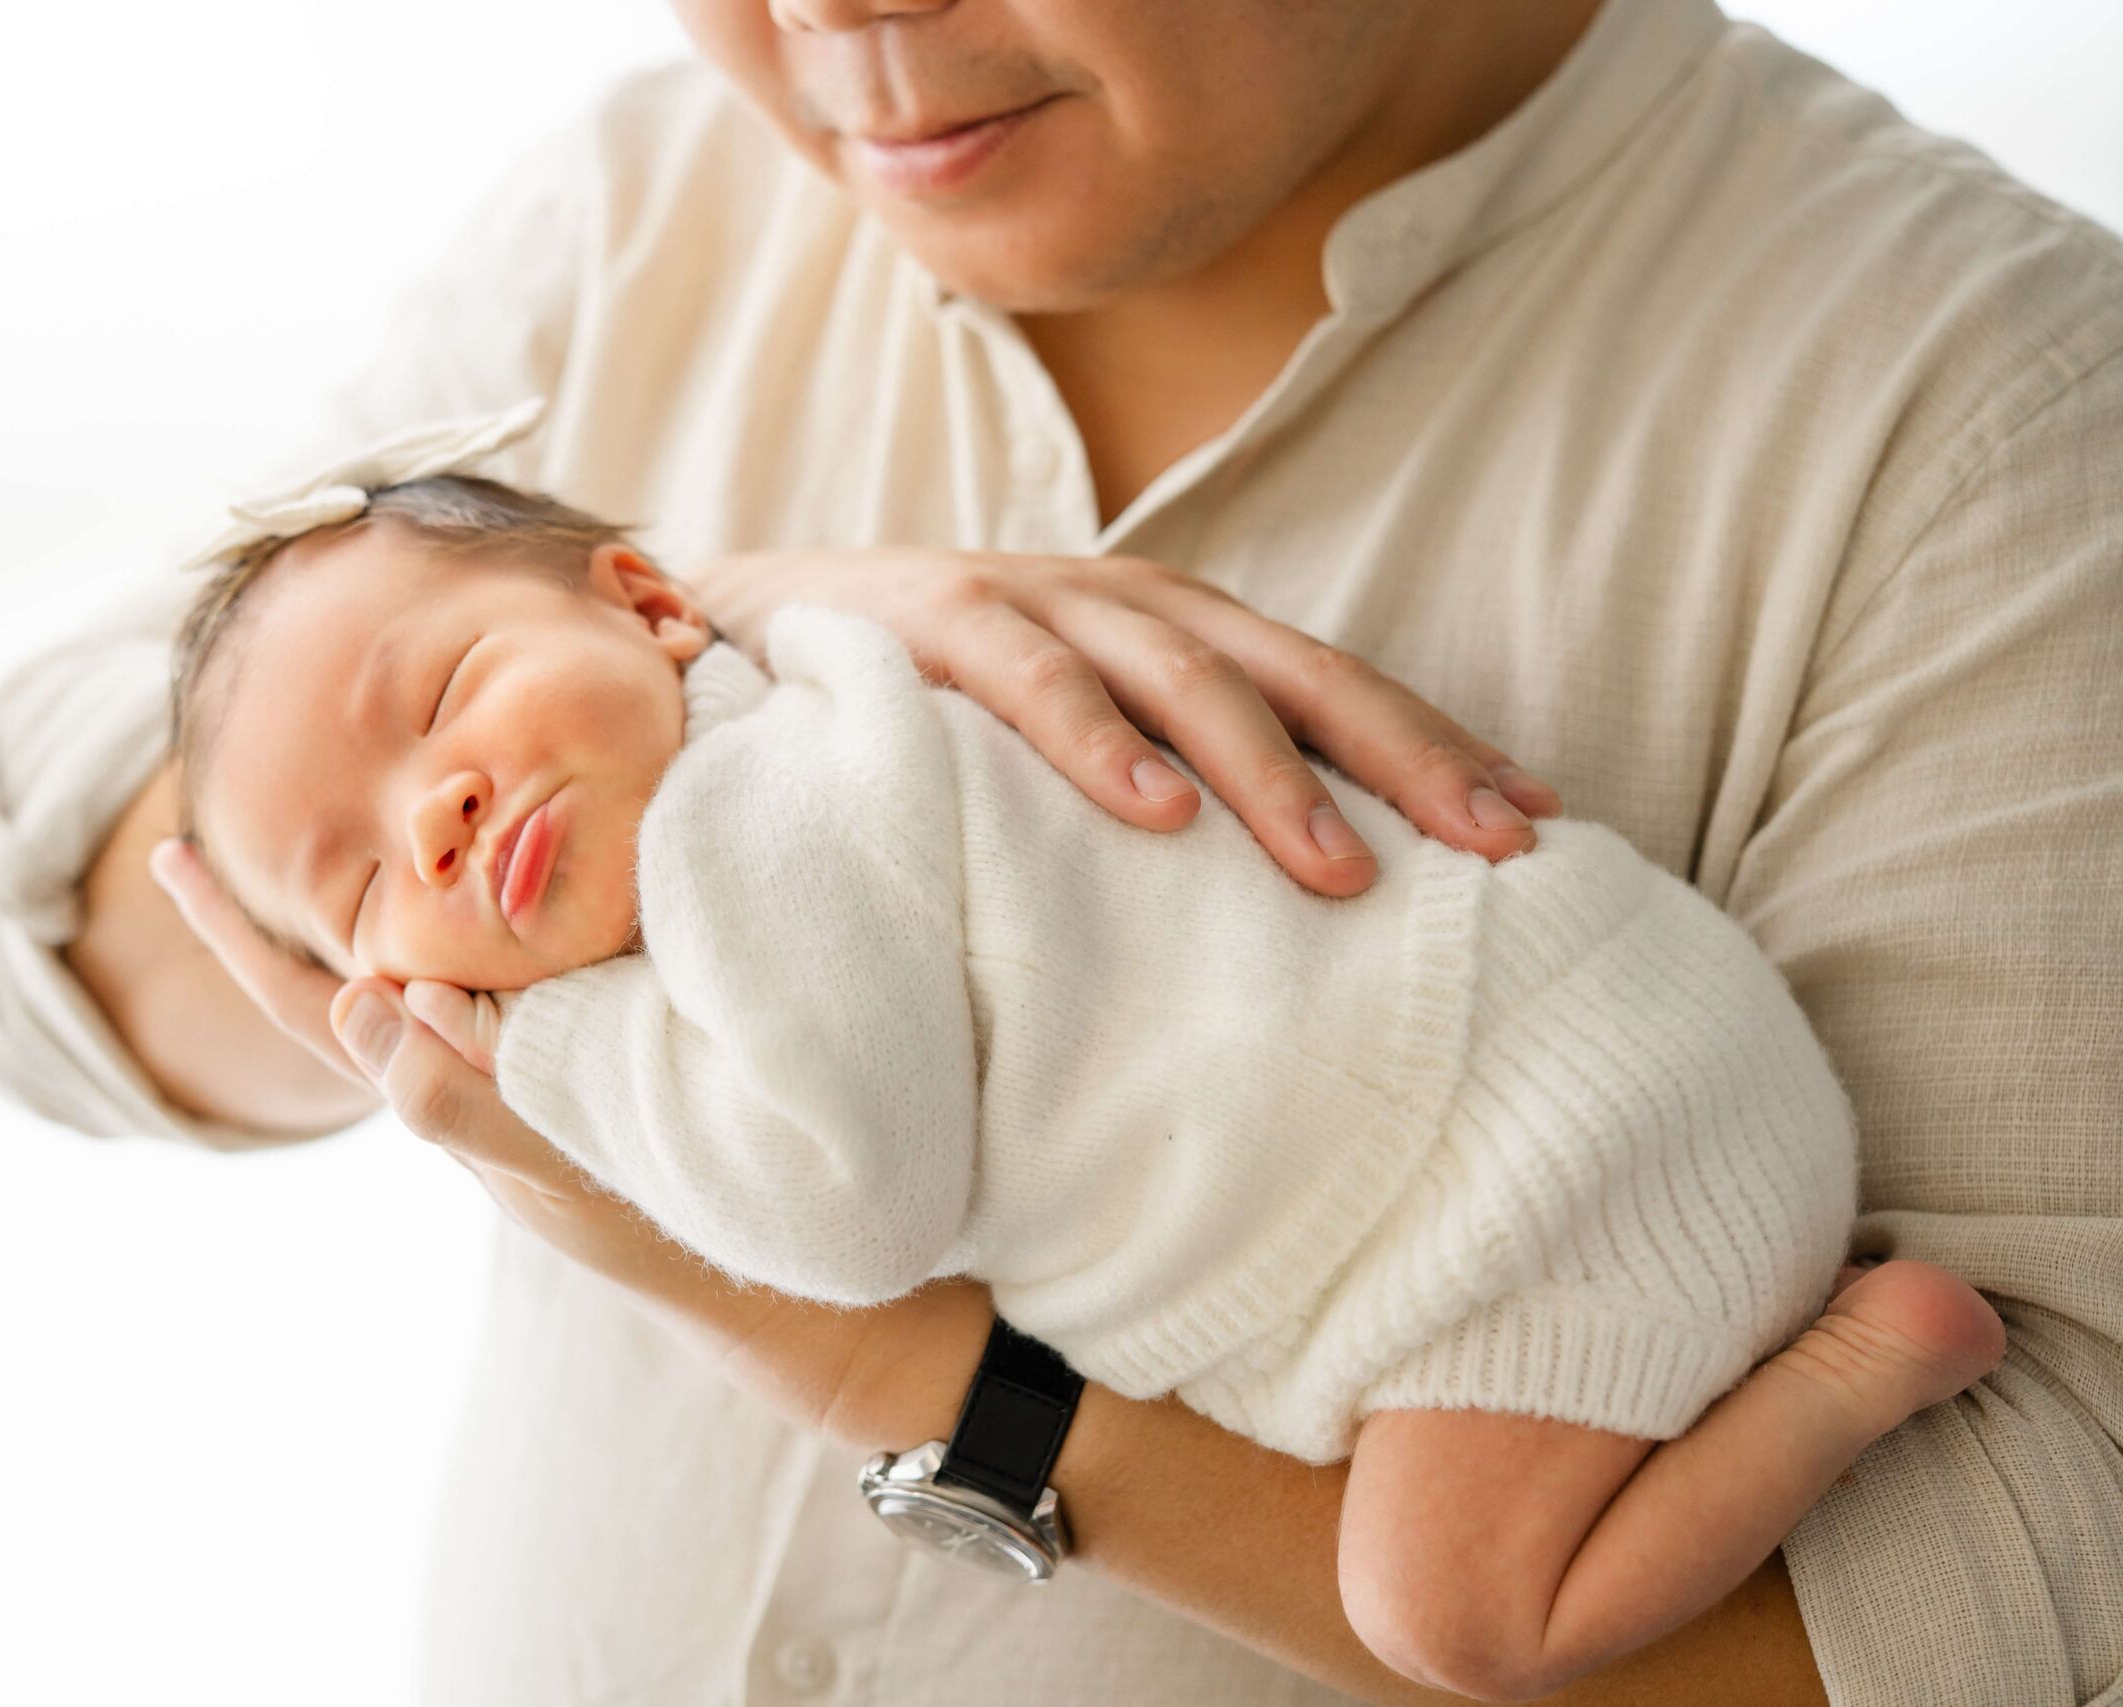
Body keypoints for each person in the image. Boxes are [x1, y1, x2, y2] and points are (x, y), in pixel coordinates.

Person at [0, 0, 2123, 1700]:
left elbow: (2000, 1591)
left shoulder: (1992, 422)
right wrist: (754, 606)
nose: (830, 10)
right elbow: (51, 941)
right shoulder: (640, 210)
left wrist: (901, 1372)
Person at [163, 422, 2004, 1698]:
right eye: (355, 878)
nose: (440, 806)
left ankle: (1861, 1364)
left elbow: (848, 1213)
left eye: (444, 694)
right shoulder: (799, 721)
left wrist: (546, 1058)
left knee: (1459, 1622)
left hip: (1550, 1168)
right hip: (1561, 1073)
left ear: (654, 604)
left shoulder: (760, 823)